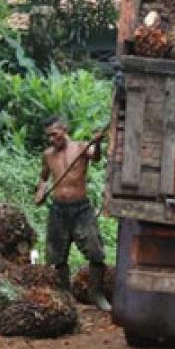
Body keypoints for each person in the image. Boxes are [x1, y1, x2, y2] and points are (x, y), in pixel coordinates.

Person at [33, 118, 112, 312]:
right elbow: (43, 177)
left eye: (55, 134)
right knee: (57, 257)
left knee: (95, 252)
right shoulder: (48, 155)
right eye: (49, 136)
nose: (52, 139)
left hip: (81, 209)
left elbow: (96, 158)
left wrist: (98, 143)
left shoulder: (81, 147)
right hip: (58, 210)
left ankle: (96, 294)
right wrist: (40, 191)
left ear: (64, 129)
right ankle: (66, 296)